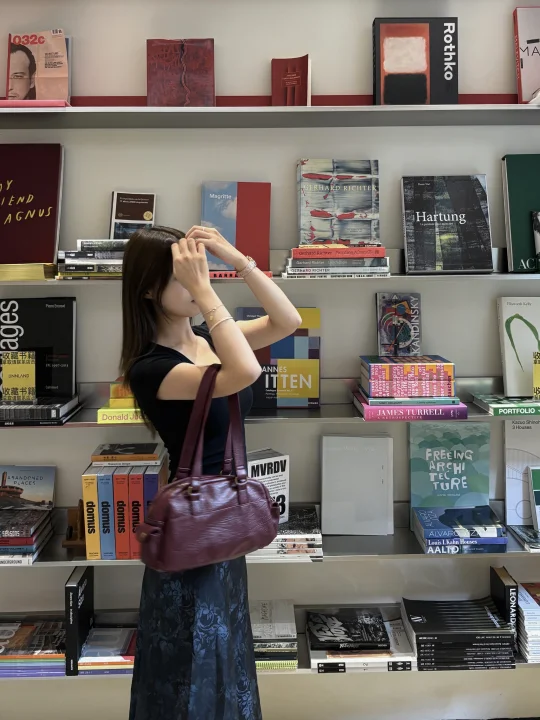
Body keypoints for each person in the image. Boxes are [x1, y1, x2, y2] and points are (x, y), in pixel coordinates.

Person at [121, 225, 302, 720]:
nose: (196, 282)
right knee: (189, 671)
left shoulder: (206, 339)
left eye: (198, 271)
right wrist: (206, 292)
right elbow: (245, 373)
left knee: (227, 662)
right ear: (149, 291)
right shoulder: (151, 369)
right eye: (183, 275)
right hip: (191, 532)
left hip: (223, 522)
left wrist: (236, 259)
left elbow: (287, 321)